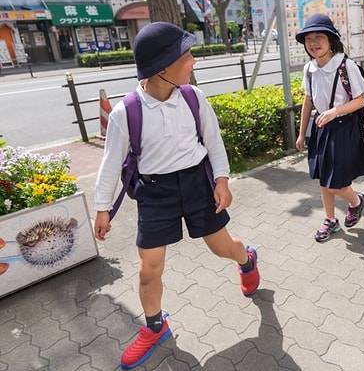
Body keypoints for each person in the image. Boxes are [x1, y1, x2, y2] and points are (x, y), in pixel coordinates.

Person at [93, 22, 260, 369]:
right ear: (163, 68)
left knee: (222, 248)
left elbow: (213, 142)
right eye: (187, 56)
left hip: (198, 184)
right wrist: (102, 209)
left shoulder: (191, 97)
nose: (194, 62)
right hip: (155, 193)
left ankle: (246, 260)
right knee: (148, 269)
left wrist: (223, 180)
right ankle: (155, 326)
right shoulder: (127, 112)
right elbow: (110, 165)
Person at [294, 13, 364, 242]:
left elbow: (361, 100)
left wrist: (334, 111)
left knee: (336, 182)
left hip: (344, 128)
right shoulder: (309, 69)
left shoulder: (345, 66)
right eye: (308, 39)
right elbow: (308, 100)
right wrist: (301, 133)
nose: (313, 43)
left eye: (319, 37)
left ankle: (356, 201)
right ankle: (330, 220)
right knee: (323, 179)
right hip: (321, 128)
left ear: (331, 40)